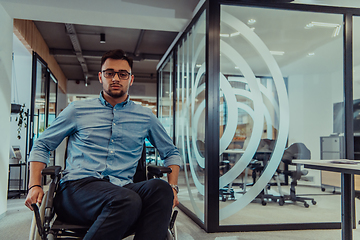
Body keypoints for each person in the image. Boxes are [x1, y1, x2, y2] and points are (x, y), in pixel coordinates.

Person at [25, 49, 181, 240]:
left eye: (123, 74)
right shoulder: (77, 110)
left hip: (122, 188)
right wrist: (34, 185)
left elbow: (171, 152)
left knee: (160, 189)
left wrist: (173, 187)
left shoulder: (146, 117)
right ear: (101, 77)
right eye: (109, 73)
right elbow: (42, 144)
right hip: (78, 189)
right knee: (127, 201)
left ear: (130, 79)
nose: (116, 78)